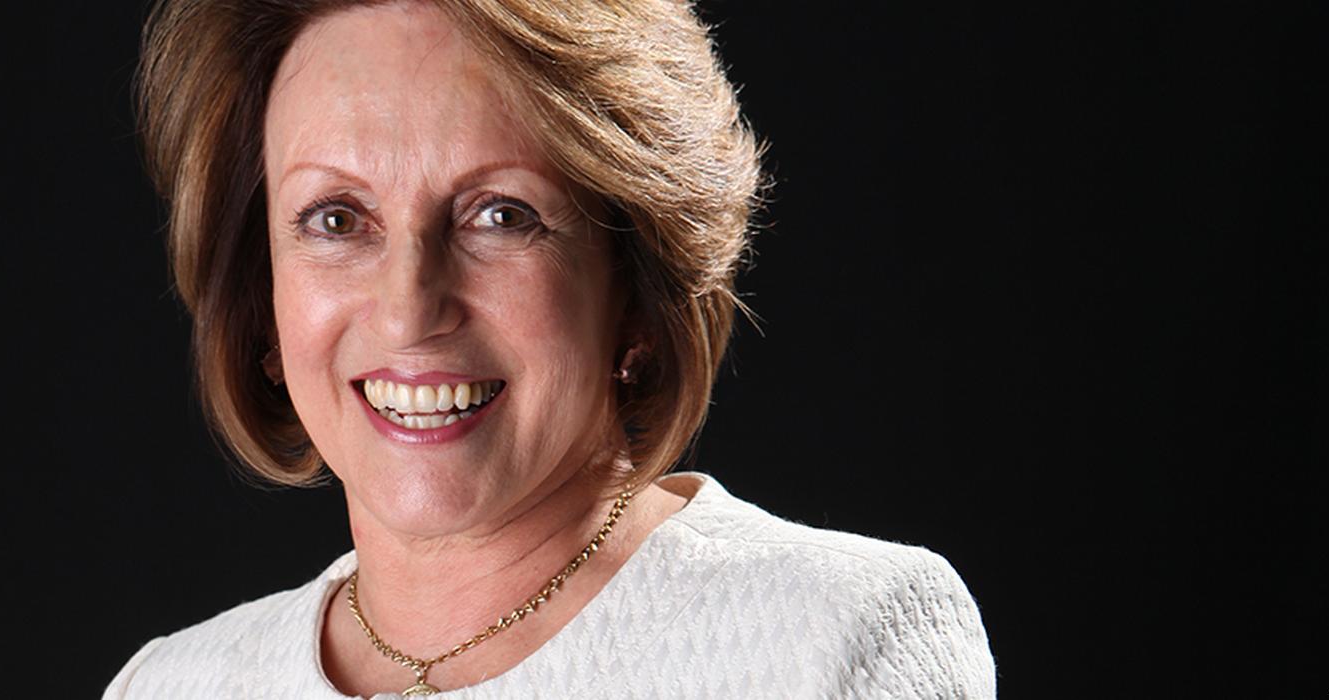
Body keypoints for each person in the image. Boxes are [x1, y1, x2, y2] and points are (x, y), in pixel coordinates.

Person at [107, 0, 997, 697]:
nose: (409, 311)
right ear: (262, 305)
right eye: (336, 219)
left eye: (501, 215)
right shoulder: (170, 687)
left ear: (636, 289)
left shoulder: (830, 643)